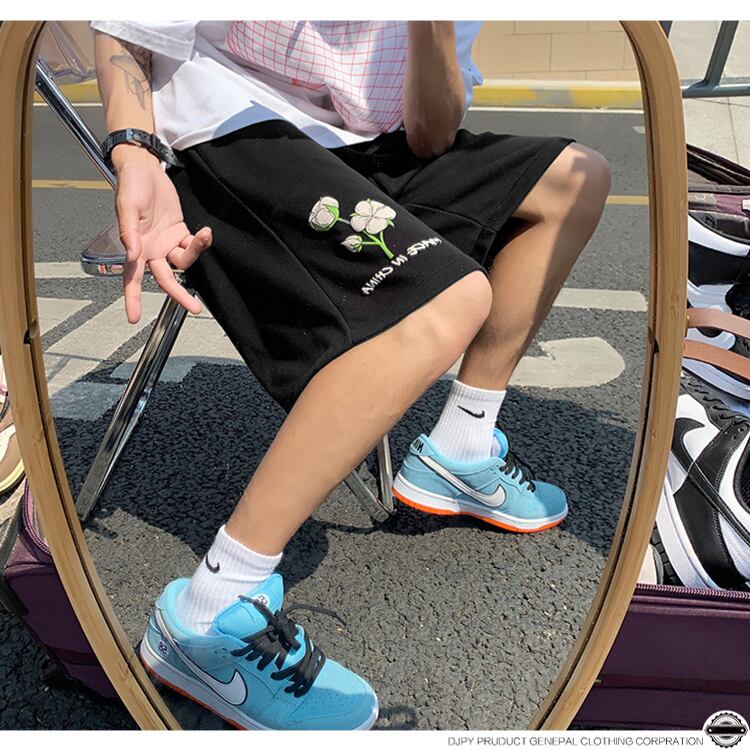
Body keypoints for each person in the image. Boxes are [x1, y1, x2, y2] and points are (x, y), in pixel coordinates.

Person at [92, 20, 610, 731]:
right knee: (448, 301)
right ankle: (207, 615)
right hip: (228, 132)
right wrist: (134, 149)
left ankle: (461, 446)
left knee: (575, 182)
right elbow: (125, 25)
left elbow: (430, 136)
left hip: (361, 150)